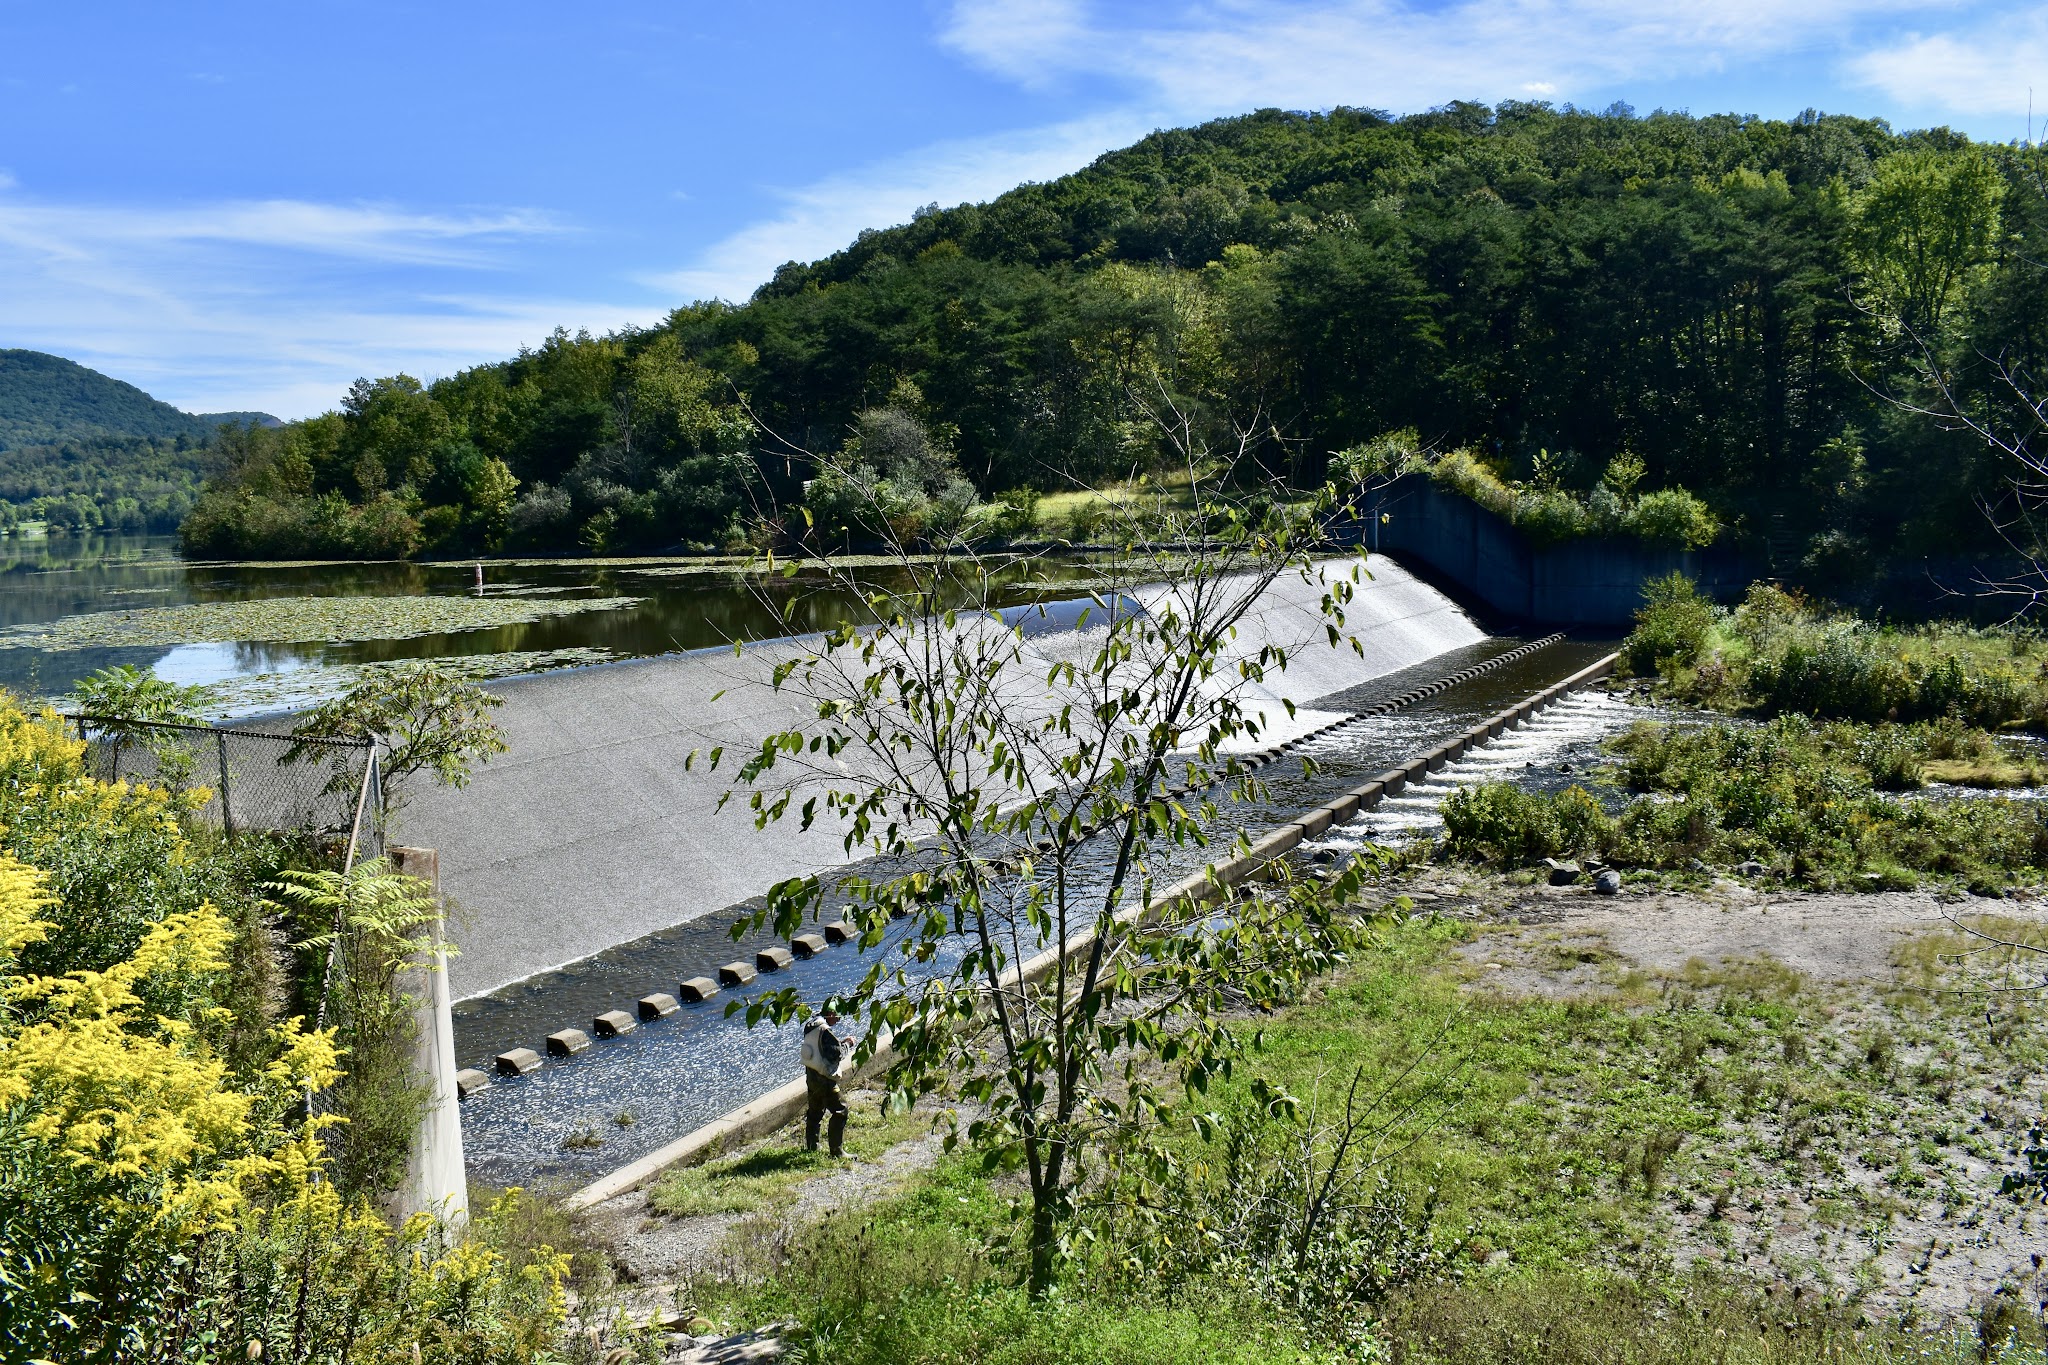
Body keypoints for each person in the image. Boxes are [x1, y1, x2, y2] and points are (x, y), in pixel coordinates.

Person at [801, 1008, 852, 1157]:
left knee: (815, 1112)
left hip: (811, 1077)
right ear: (830, 1013)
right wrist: (848, 1043)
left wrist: (838, 1043)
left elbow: (822, 1048)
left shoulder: (811, 1025)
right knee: (840, 1110)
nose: (839, 1020)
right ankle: (837, 1151)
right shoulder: (825, 1030)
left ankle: (812, 1146)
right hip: (825, 1080)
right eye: (838, 1016)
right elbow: (836, 1054)